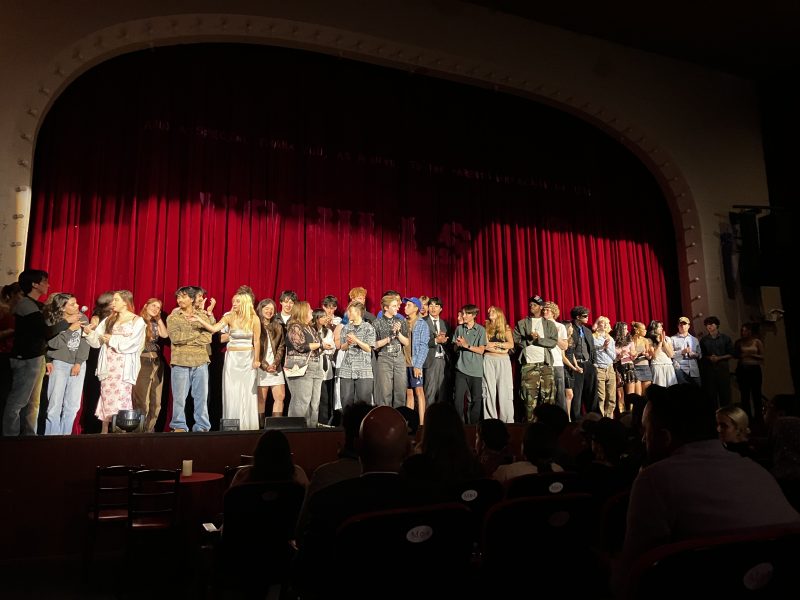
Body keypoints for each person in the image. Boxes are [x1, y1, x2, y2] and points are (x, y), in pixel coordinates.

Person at [614, 384, 800, 597]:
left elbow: (633, 574)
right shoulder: (754, 469)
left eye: (645, 430)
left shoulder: (655, 479)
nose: (643, 439)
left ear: (664, 437)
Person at [193, 293, 261, 430]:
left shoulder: (254, 319)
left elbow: (257, 340)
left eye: (237, 301)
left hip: (248, 359)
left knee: (248, 393)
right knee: (232, 391)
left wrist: (256, 360)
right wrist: (200, 320)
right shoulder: (229, 316)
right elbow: (213, 329)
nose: (234, 304)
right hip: (233, 360)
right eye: (233, 301)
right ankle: (232, 427)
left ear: (245, 303)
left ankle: (249, 426)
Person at [84, 290, 146, 434]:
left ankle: (121, 428)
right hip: (108, 363)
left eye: (116, 300)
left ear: (125, 302)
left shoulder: (137, 321)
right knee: (106, 394)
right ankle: (104, 430)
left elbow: (134, 344)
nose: (113, 303)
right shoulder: (109, 319)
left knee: (122, 395)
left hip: (124, 365)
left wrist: (112, 339)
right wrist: (88, 332)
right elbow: (97, 341)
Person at [3, 269, 51, 436]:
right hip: (26, 358)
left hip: (36, 356)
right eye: (44, 281)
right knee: (18, 401)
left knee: (32, 402)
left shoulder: (36, 305)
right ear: (35, 284)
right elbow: (44, 332)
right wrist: (67, 323)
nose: (48, 285)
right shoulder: (26, 305)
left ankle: (28, 434)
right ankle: (10, 436)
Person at [42, 293, 90, 435]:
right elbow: (53, 344)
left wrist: (79, 363)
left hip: (78, 364)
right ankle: (52, 438)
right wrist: (70, 330)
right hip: (59, 363)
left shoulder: (83, 318)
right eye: (72, 304)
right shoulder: (53, 320)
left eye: (76, 303)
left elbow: (84, 343)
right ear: (62, 308)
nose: (77, 306)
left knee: (72, 405)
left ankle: (65, 438)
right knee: (55, 404)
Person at [166, 286, 213, 432]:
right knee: (179, 399)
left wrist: (191, 338)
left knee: (201, 398)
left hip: (200, 362)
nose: (179, 300)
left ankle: (202, 425)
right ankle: (179, 425)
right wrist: (196, 335)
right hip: (180, 362)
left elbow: (208, 337)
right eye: (178, 297)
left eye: (183, 296)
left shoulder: (203, 316)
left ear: (192, 299)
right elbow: (175, 338)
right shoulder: (173, 317)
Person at [513, 295, 558, 421]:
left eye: (535, 305)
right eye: (530, 304)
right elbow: (516, 341)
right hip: (529, 365)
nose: (531, 307)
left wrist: (538, 340)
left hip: (546, 364)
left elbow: (553, 342)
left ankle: (548, 426)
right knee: (529, 398)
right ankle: (531, 428)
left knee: (548, 398)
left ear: (541, 307)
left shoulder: (549, 324)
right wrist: (529, 340)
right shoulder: (522, 323)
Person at [285, 301, 326, 427]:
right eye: (309, 309)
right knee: (301, 402)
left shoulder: (310, 328)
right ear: (302, 311)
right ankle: (295, 431)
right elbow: (300, 346)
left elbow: (316, 347)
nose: (312, 311)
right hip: (301, 366)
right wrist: (320, 345)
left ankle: (311, 431)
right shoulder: (295, 327)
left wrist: (323, 346)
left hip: (315, 366)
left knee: (314, 403)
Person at [132, 298, 168, 432]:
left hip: (157, 361)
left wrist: (158, 319)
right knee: (142, 399)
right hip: (143, 360)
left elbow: (164, 335)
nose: (155, 309)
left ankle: (149, 429)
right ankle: (139, 430)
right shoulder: (138, 320)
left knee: (156, 400)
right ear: (146, 306)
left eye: (158, 308)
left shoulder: (155, 322)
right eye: (153, 306)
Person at [230, 429, 309, 487]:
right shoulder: (298, 473)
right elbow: (307, 501)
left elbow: (231, 502)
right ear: (287, 454)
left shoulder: (243, 474)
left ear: (258, 453)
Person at [372, 294, 409, 408]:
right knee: (385, 392)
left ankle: (400, 419)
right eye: (394, 306)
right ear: (386, 307)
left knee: (400, 392)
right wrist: (389, 338)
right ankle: (386, 419)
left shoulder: (401, 321)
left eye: (397, 305)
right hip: (384, 358)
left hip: (399, 358)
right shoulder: (377, 322)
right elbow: (374, 345)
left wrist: (398, 334)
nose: (397, 308)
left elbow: (406, 342)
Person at [338, 301, 376, 408]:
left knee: (363, 401)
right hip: (347, 369)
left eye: (350, 311)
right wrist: (348, 343)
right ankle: (346, 423)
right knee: (346, 399)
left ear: (358, 312)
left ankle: (363, 424)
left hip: (364, 370)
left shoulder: (368, 327)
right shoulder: (345, 328)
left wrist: (356, 340)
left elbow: (368, 349)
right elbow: (342, 347)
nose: (348, 313)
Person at [453, 304, 487, 424]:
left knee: (476, 400)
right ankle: (459, 425)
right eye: (463, 313)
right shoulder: (459, 329)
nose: (464, 315)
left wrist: (466, 345)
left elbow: (481, 350)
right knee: (457, 399)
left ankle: (473, 426)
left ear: (473, 315)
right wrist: (457, 345)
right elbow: (455, 349)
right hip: (461, 369)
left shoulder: (481, 330)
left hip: (476, 370)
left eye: (466, 313)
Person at [255, 298, 286, 422]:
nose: (269, 311)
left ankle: (275, 426)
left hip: (275, 367)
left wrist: (275, 363)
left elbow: (281, 346)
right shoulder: (255, 324)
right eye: (266, 308)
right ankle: (260, 427)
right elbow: (253, 347)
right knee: (261, 398)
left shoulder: (277, 326)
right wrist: (265, 366)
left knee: (280, 397)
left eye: (272, 309)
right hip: (260, 366)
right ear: (260, 309)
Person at [483, 305, 515, 423]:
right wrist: (502, 347)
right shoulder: (485, 327)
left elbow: (510, 345)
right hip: (489, 360)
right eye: (489, 311)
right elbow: (486, 346)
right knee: (489, 390)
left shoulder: (505, 328)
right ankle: (490, 420)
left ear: (499, 313)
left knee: (505, 390)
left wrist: (496, 345)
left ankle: (507, 420)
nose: (489, 312)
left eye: (492, 311)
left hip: (503, 361)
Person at [402, 297, 429, 425]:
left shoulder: (422, 324)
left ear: (416, 308)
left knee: (419, 391)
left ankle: (422, 424)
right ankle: (410, 423)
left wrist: (418, 365)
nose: (405, 307)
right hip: (403, 363)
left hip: (415, 363)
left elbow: (424, 346)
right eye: (405, 305)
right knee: (409, 393)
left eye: (408, 305)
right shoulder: (403, 322)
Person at [568, 305, 597, 421]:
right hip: (576, 364)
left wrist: (593, 363)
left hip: (588, 364)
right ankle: (577, 419)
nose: (587, 318)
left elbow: (592, 348)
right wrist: (573, 365)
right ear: (577, 317)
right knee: (577, 394)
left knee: (592, 393)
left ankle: (594, 417)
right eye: (585, 316)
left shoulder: (587, 331)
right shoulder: (569, 328)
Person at [699, 316, 735, 408]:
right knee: (711, 397)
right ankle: (714, 419)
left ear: (717, 325)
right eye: (707, 325)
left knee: (725, 396)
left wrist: (719, 358)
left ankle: (726, 417)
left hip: (722, 370)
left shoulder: (725, 338)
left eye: (711, 324)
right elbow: (701, 355)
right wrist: (709, 358)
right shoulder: (704, 340)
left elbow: (731, 353)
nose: (709, 326)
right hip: (709, 371)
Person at [422, 296, 450, 405]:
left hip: (443, 360)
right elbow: (420, 342)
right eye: (431, 306)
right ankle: (428, 418)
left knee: (442, 393)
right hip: (430, 360)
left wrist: (444, 341)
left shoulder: (445, 323)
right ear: (428, 308)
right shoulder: (422, 322)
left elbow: (448, 342)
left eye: (436, 306)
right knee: (430, 392)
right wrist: (435, 340)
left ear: (441, 309)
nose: (433, 308)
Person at [734, 322, 764, 422]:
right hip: (743, 369)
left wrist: (751, 355)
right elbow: (735, 355)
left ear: (750, 331)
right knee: (745, 395)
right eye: (742, 330)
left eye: (746, 330)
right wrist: (741, 356)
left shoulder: (756, 341)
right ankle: (747, 418)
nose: (744, 332)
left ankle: (759, 417)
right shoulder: (739, 342)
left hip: (754, 369)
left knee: (757, 394)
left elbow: (762, 356)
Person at [670, 316, 702, 387]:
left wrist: (695, 355)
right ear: (678, 326)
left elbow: (700, 355)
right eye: (680, 324)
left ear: (689, 326)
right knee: (683, 392)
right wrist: (682, 351)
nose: (682, 326)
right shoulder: (673, 339)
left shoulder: (694, 339)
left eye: (684, 324)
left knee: (698, 391)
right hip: (680, 369)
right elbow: (670, 355)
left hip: (693, 369)